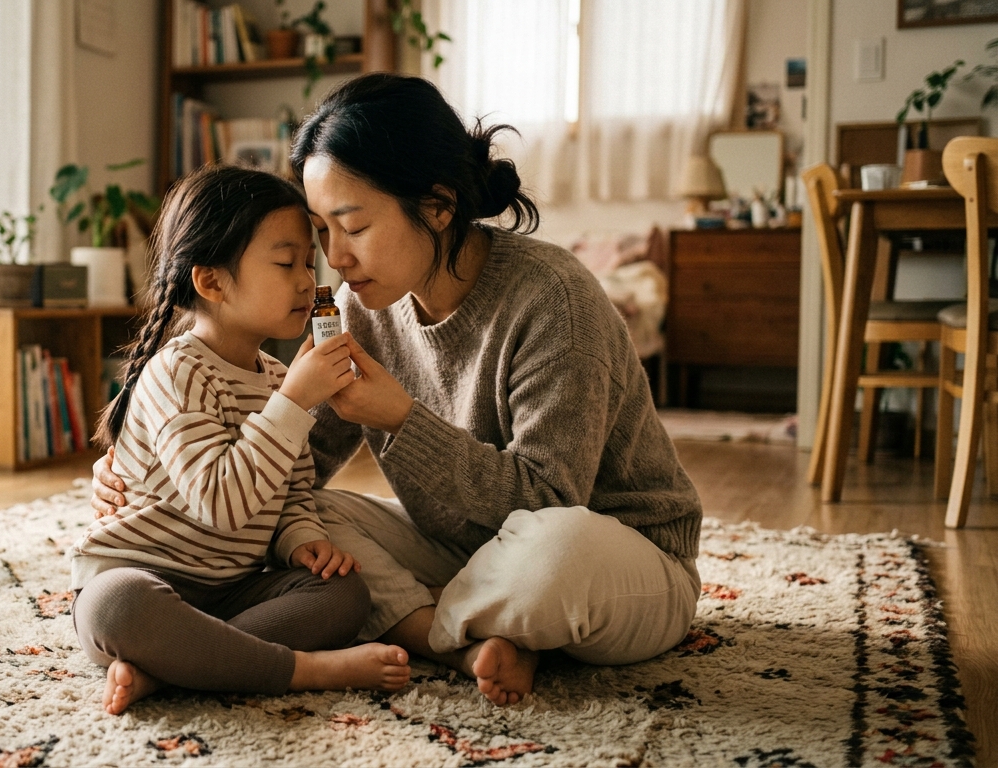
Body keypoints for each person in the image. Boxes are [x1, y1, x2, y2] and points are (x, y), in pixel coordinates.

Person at [92, 73, 703, 707]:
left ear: (437, 206)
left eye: (351, 227)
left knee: (551, 553)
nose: (334, 260)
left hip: (615, 553)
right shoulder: (361, 310)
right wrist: (142, 463)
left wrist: (404, 420)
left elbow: (549, 499)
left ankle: (424, 630)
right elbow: (299, 464)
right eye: (321, 232)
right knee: (308, 525)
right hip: (467, 552)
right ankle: (474, 644)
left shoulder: (554, 300)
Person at [70, 165, 411, 717]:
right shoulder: (177, 374)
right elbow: (221, 504)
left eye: (307, 261)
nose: (307, 279)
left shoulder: (277, 376)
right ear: (212, 282)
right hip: (141, 577)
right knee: (117, 607)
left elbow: (291, 492)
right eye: (285, 263)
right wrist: (295, 403)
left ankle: (178, 666)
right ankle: (300, 672)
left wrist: (302, 540)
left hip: (227, 590)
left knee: (346, 593)